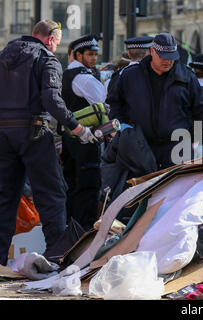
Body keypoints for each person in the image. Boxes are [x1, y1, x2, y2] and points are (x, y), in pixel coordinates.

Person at [0, 20, 96, 265]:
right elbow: (52, 99)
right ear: (51, 39)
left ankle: (0, 262)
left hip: (3, 134)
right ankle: (57, 256)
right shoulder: (46, 58)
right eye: (57, 42)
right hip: (34, 132)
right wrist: (78, 128)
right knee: (52, 194)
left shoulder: (4, 55)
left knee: (5, 198)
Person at [108, 32, 203, 169]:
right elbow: (114, 104)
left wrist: (201, 141)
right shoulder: (130, 75)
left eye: (171, 57)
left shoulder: (187, 77)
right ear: (152, 51)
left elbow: (201, 111)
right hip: (139, 145)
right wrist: (121, 127)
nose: (167, 61)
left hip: (177, 148)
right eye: (163, 57)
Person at [61, 34, 106, 230]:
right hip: (85, 138)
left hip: (69, 137)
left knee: (72, 184)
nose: (94, 58)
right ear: (78, 55)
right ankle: (83, 231)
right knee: (88, 186)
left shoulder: (68, 74)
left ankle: (71, 228)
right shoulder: (84, 77)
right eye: (89, 54)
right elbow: (103, 100)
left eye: (95, 54)